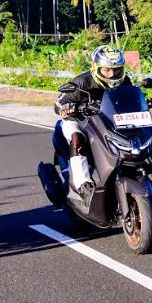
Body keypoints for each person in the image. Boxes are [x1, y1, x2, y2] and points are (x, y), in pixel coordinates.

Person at [55, 45, 130, 198]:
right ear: (95, 68)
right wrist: (67, 108)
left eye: (116, 70)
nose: (112, 74)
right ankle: (83, 184)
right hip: (78, 120)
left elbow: (129, 97)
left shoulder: (124, 81)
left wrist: (143, 101)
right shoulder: (82, 82)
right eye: (106, 70)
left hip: (105, 120)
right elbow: (58, 104)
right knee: (77, 139)